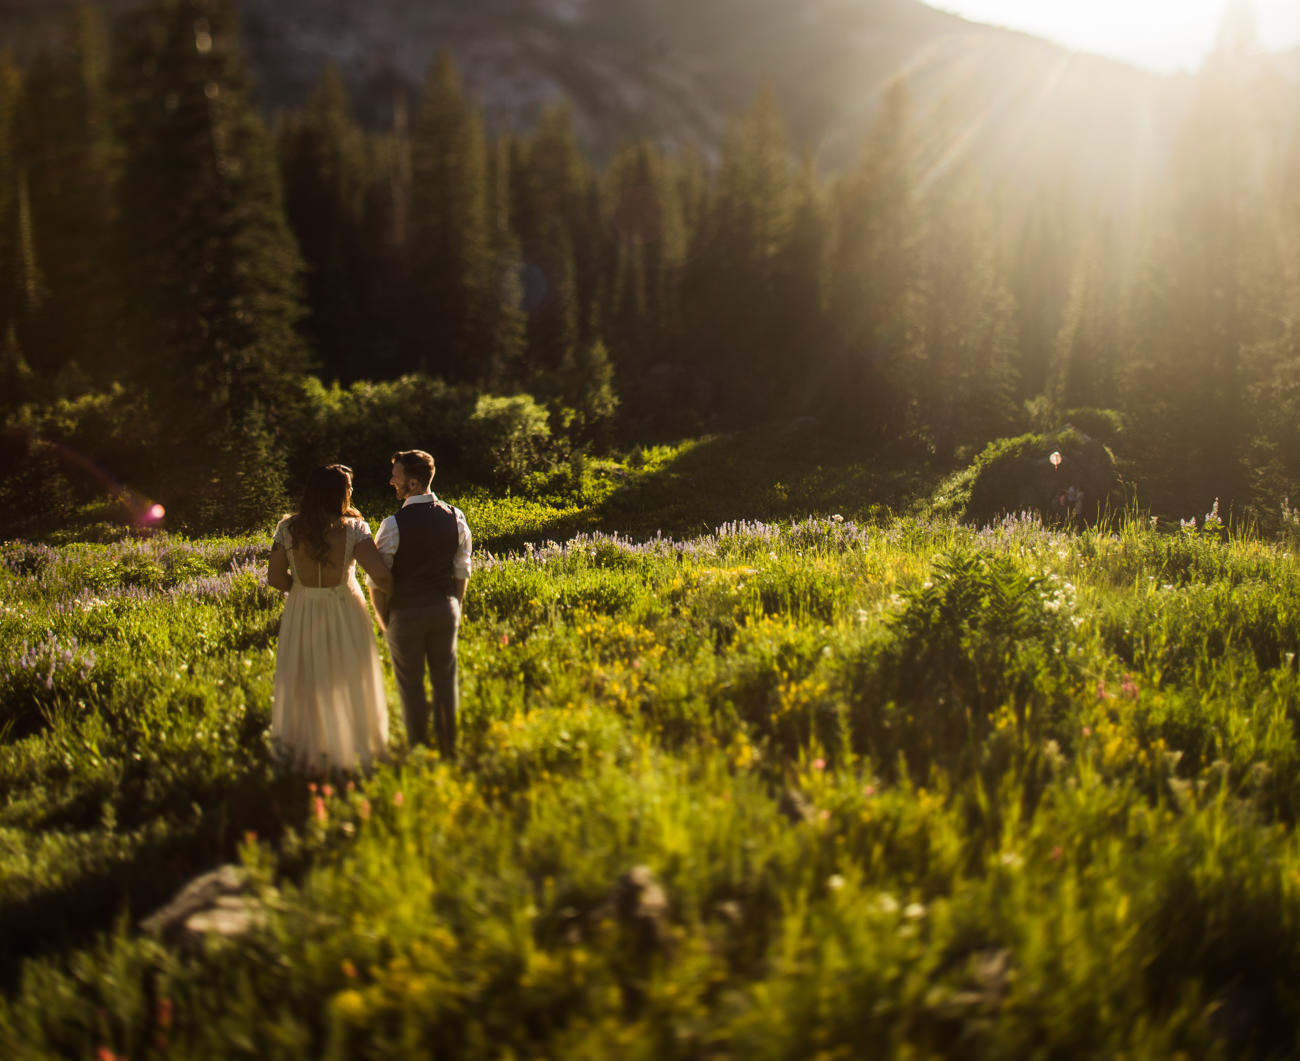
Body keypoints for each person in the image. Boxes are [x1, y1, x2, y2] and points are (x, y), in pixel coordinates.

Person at [267, 464, 393, 774]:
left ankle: (311, 746)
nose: (352, 492)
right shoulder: (354, 529)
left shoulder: (288, 528)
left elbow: (273, 578)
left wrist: (298, 590)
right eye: (349, 487)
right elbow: (379, 573)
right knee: (348, 672)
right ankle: (348, 744)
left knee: (305, 675)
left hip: (302, 606)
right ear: (340, 493)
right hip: (343, 605)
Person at [370, 449, 472, 760]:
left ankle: (419, 753)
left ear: (413, 483)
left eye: (396, 477)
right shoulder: (456, 516)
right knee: (445, 681)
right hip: (445, 608)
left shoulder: (392, 525)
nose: (391, 482)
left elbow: (377, 581)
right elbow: (462, 570)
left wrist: (384, 620)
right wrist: (454, 605)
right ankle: (448, 750)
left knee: (410, 687)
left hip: (406, 612)